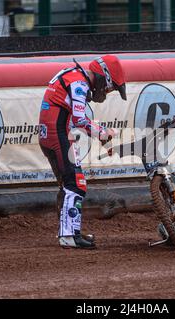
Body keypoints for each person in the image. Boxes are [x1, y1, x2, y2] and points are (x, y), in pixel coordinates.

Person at [39, 55, 127, 249]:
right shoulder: (79, 83)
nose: (108, 91)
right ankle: (69, 236)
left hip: (55, 134)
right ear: (105, 77)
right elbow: (79, 119)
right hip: (57, 135)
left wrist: (100, 133)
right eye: (111, 88)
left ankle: (69, 232)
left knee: (69, 184)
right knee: (75, 184)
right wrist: (102, 133)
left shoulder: (73, 75)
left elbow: (74, 116)